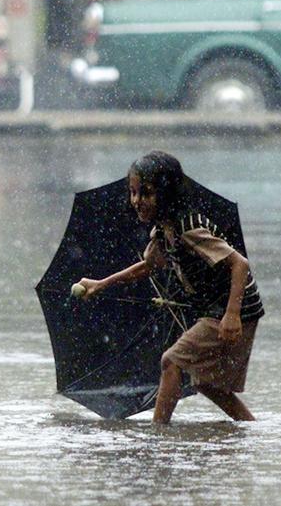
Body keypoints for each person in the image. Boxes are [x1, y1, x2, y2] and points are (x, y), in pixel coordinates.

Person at [78, 151, 264, 424]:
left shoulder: (188, 228)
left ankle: (159, 434)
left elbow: (239, 264)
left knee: (171, 361)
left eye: (146, 193)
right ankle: (250, 429)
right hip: (218, 308)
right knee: (207, 384)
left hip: (235, 308)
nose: (137, 201)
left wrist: (232, 315)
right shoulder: (163, 232)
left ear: (166, 194)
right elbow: (147, 266)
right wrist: (102, 284)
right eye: (133, 192)